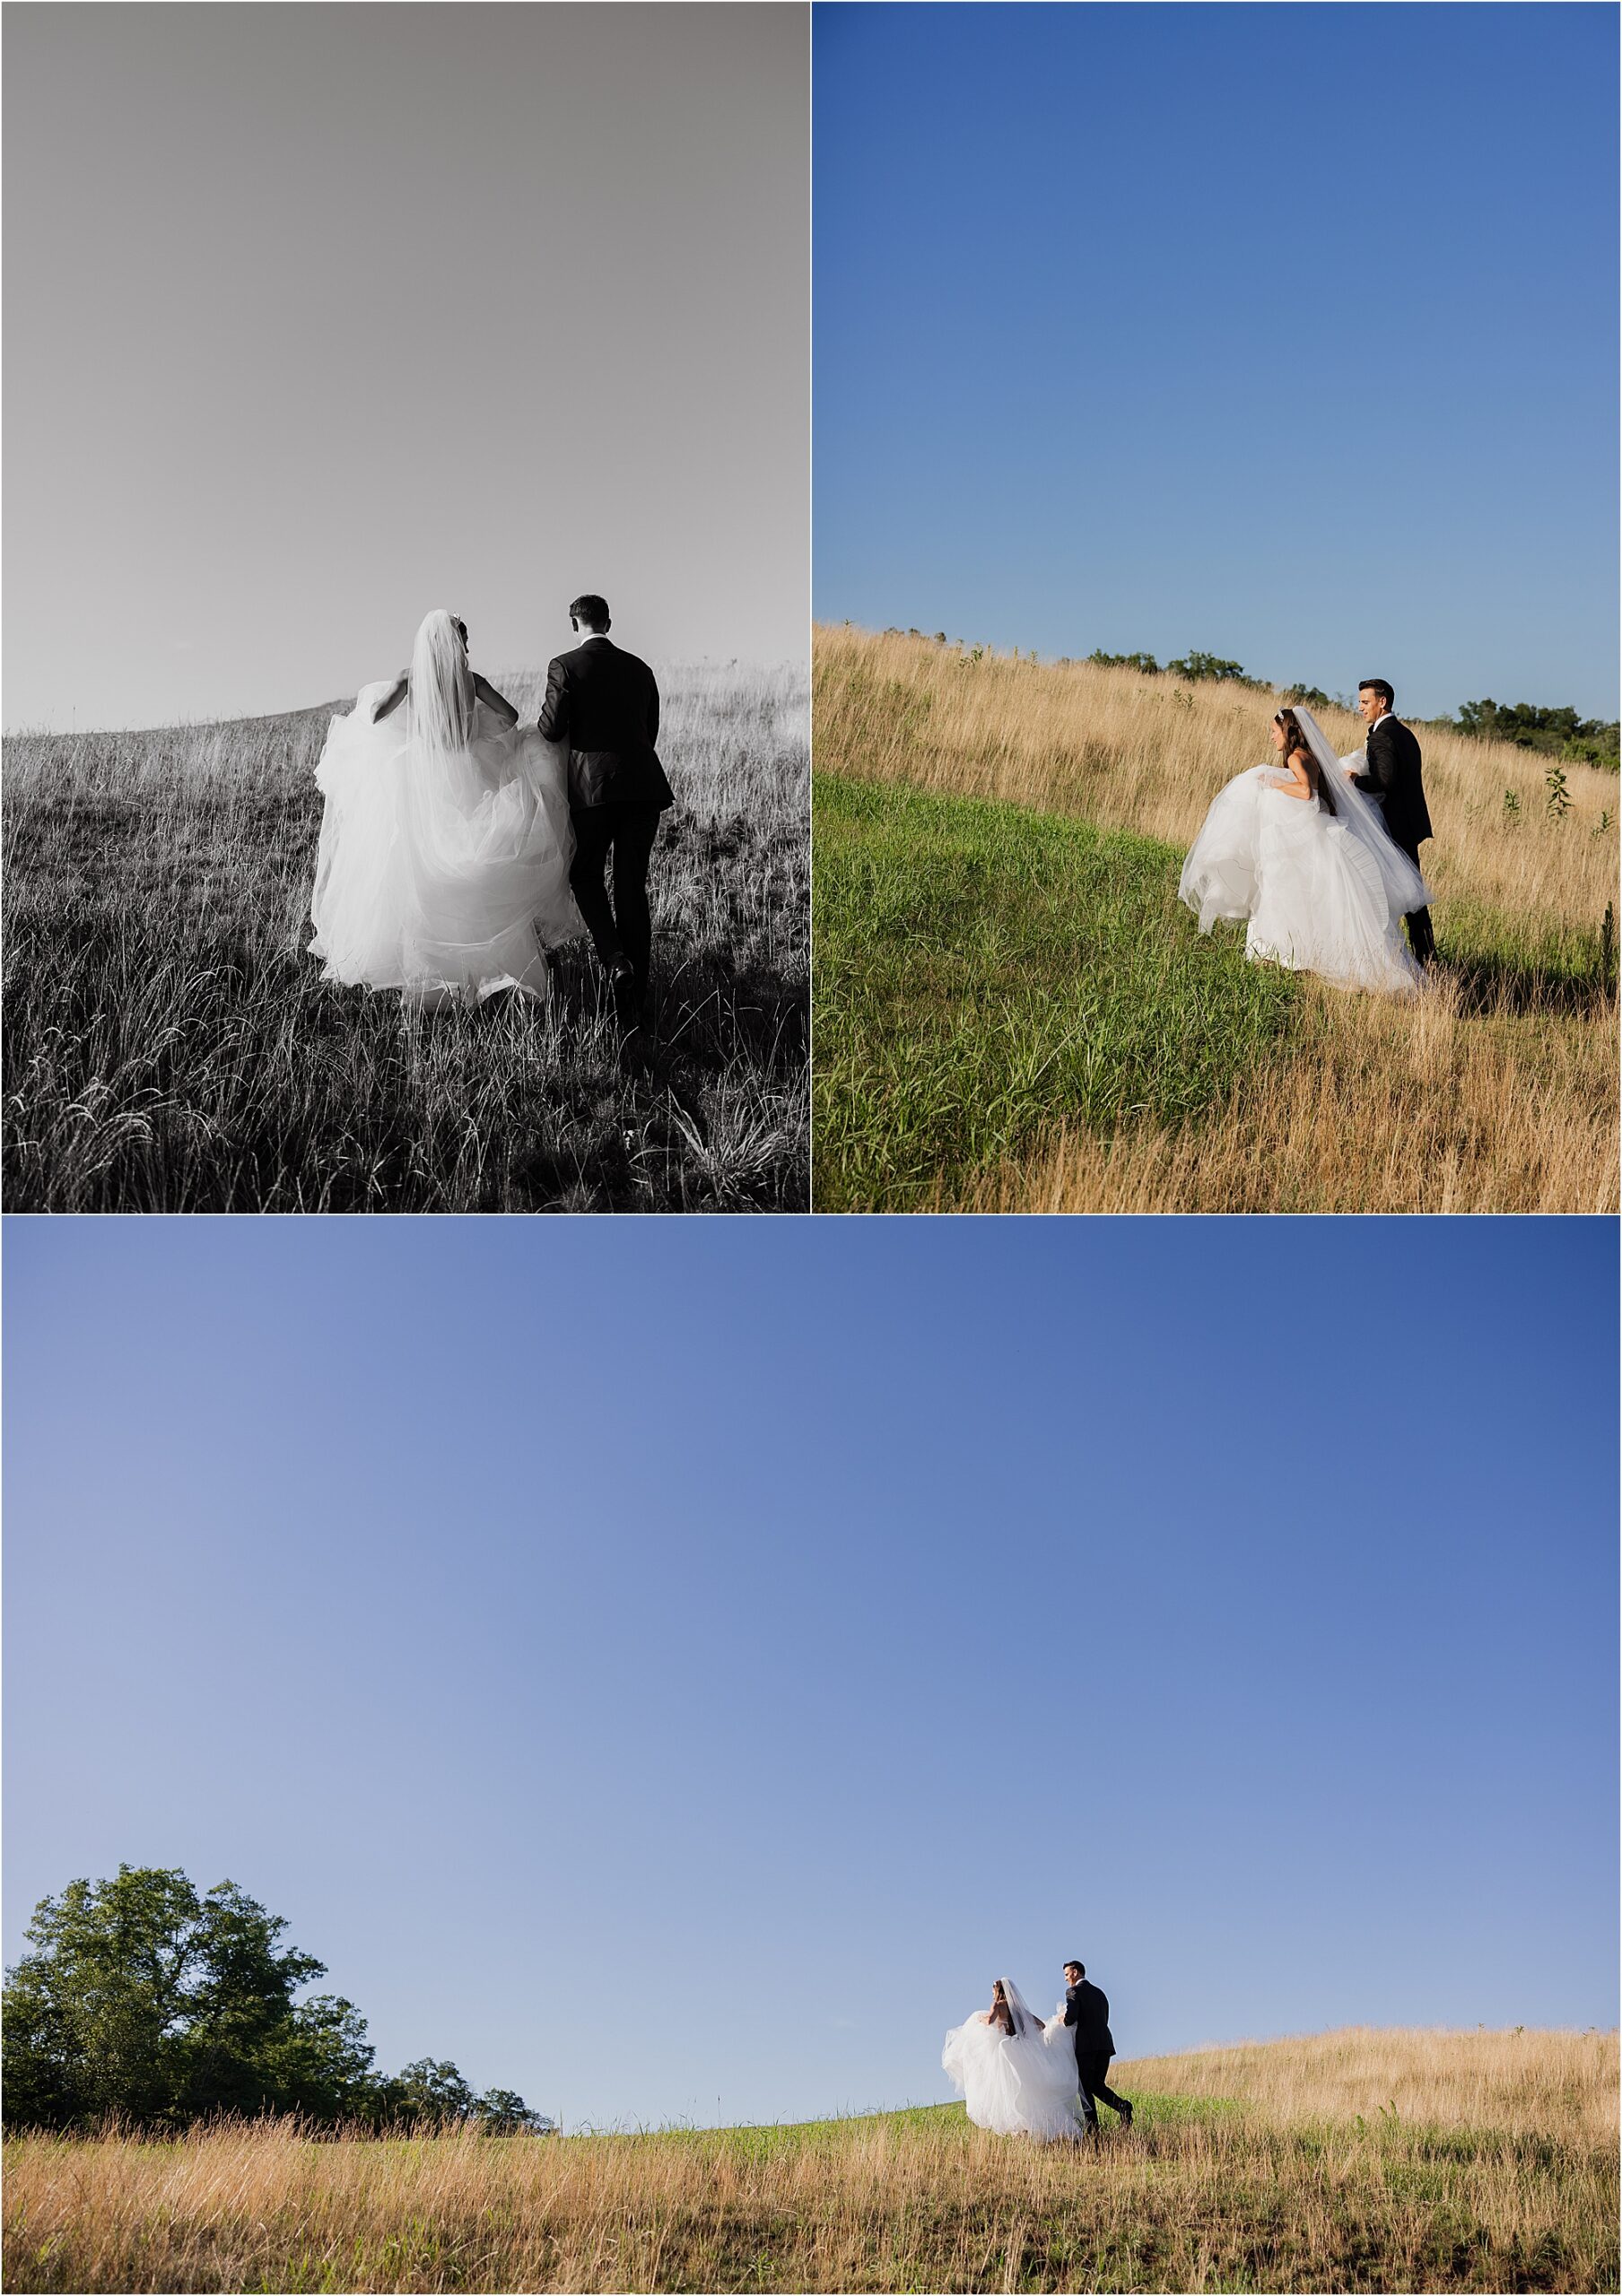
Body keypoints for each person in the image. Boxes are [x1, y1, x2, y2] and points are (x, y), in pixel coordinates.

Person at [309, 611, 579, 1004]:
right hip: (467, 771)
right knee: (469, 863)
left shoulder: (409, 678)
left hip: (422, 777)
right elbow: (512, 716)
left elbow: (373, 714)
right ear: (455, 643)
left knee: (419, 870)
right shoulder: (472, 681)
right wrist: (481, 727)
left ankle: (428, 976)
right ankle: (479, 969)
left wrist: (407, 716)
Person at [1178, 704, 1433, 994]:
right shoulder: (1311, 758)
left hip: (1313, 836)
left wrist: (1274, 784)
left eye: (1274, 732)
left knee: (1290, 894)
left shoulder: (1296, 759)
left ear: (1288, 732)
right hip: (1325, 834)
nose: (1272, 738)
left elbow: (1306, 793)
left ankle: (1285, 953)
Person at [537, 595, 673, 1020]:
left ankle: (615, 959)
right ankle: (635, 1000)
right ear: (609, 623)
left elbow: (551, 727)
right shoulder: (641, 669)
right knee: (632, 887)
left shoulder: (564, 666)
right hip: (643, 788)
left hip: (592, 791)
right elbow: (648, 731)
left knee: (585, 874)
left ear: (573, 624)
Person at [1347, 678, 1435, 964]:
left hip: (1395, 825)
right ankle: (1425, 956)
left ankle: (1410, 957)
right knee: (1412, 894)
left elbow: (1385, 781)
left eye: (1364, 702)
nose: (1360, 707)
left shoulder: (1383, 736)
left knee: (1404, 893)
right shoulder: (1405, 734)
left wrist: (1355, 780)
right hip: (1408, 823)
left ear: (1381, 702)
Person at [941, 1978, 1083, 2142]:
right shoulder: (1018, 2009)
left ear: (998, 1990)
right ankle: (1059, 2130)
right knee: (1029, 2092)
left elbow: (989, 2021)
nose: (992, 1993)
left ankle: (1022, 2129)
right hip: (1022, 2050)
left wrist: (979, 2018)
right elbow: (1041, 2026)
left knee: (1009, 2091)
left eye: (993, 1989)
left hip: (1005, 2051)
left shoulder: (998, 2005)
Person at [1060, 1961, 1132, 2136]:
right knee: (1097, 2085)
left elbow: (1070, 2019)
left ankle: (1092, 2130)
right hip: (1105, 2045)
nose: (1066, 1979)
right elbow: (1104, 2018)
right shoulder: (1100, 1994)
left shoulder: (1073, 1991)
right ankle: (1122, 2106)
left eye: (1067, 1974)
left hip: (1086, 2047)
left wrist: (1061, 2019)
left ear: (1075, 1972)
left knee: (1084, 2088)